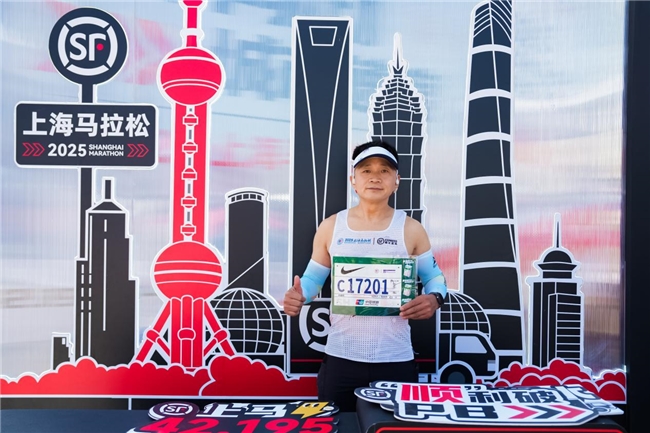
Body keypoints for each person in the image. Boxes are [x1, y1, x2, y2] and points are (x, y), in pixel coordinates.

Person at [283, 140, 447, 412]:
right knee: (338, 427)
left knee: (394, 429)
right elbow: (312, 280)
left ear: (397, 181)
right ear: (353, 180)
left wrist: (434, 299)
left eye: (384, 170)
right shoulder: (331, 227)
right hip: (341, 357)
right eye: (366, 170)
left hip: (395, 359)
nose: (375, 177)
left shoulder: (411, 229)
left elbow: (435, 279)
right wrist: (299, 295)